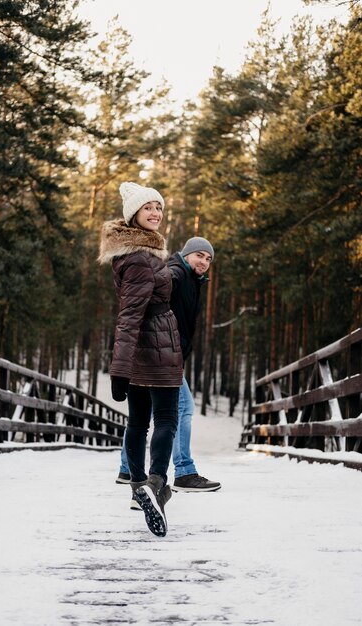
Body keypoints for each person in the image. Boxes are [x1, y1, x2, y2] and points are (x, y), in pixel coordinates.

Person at [98, 181, 183, 537]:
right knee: (165, 419)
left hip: (144, 349)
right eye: (148, 208)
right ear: (133, 214)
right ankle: (154, 484)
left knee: (138, 422)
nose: (155, 213)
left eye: (159, 208)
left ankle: (138, 487)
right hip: (155, 347)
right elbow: (129, 315)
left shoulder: (139, 254)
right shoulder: (140, 258)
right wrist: (119, 368)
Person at [117, 236, 221, 507]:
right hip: (161, 354)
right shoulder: (176, 274)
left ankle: (128, 470)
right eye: (199, 255)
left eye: (209, 259)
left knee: (144, 417)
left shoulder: (190, 279)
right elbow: (147, 302)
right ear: (186, 255)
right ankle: (183, 472)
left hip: (163, 353)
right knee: (180, 409)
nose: (204, 262)